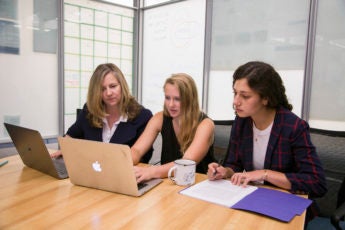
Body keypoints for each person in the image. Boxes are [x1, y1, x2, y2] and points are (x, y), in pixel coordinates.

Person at [207, 61, 327, 222]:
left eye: (245, 96)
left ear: (265, 98)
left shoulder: (294, 127)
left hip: (286, 208)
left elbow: (316, 183)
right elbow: (234, 164)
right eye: (235, 93)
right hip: (252, 202)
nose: (236, 101)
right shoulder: (242, 122)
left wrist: (265, 174)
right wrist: (224, 172)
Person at [51, 63, 153, 163]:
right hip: (92, 171)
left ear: (122, 86)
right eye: (102, 89)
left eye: (113, 86)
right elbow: (71, 136)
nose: (108, 93)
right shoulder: (89, 110)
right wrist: (65, 149)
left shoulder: (142, 116)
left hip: (124, 174)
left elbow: (144, 157)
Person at [131, 73, 215, 182]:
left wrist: (151, 171)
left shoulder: (206, 124)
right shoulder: (160, 118)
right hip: (168, 182)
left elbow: (185, 163)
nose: (171, 104)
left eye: (177, 99)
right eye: (167, 98)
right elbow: (137, 150)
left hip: (196, 185)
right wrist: (124, 163)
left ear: (190, 100)